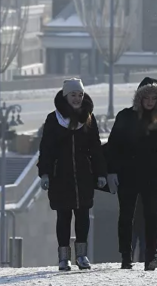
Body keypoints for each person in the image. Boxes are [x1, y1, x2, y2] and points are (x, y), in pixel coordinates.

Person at [37, 78, 107, 271]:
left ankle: (82, 256)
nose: (77, 99)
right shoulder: (54, 119)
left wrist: (100, 173)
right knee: (64, 217)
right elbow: (46, 149)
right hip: (61, 176)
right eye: (73, 95)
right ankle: (63, 257)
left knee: (83, 216)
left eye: (80, 95)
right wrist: (45, 173)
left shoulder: (89, 119)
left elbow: (95, 148)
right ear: (66, 96)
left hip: (84, 175)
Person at [106, 77, 157, 271]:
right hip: (127, 173)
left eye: (154, 98)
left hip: (152, 173)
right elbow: (113, 146)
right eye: (147, 97)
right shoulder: (125, 116)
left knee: (152, 215)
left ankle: (151, 256)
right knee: (126, 215)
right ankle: (126, 256)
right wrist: (111, 171)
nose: (150, 102)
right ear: (139, 98)